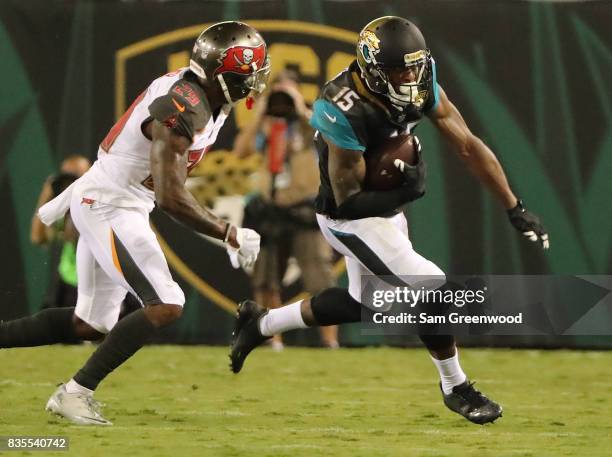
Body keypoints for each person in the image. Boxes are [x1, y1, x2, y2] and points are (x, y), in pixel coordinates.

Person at [230, 16, 549, 425]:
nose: (410, 76)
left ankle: (260, 323)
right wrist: (406, 191)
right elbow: (349, 201)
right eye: (399, 69)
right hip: (347, 218)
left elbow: (468, 145)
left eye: (415, 66)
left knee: (362, 302)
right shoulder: (339, 105)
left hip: (386, 212)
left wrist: (513, 206)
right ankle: (455, 386)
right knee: (432, 289)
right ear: (372, 69)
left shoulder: (421, 80)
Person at [0, 21, 269, 425]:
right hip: (111, 203)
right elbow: (171, 196)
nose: (253, 83)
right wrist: (227, 232)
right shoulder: (185, 105)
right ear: (221, 76)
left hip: (117, 198)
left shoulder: (205, 96)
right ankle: (74, 393)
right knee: (166, 304)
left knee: (90, 323)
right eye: (246, 75)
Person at [234, 70, 339, 350]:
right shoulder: (266, 128)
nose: (281, 100)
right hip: (270, 208)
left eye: (287, 92)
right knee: (266, 280)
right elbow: (240, 151)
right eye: (276, 92)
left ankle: (330, 342)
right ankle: (273, 339)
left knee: (320, 279)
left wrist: (299, 105)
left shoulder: (308, 125)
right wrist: (259, 114)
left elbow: (326, 136)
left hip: (305, 208)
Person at [31, 155, 91, 309]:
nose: (70, 185)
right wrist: (46, 194)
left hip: (99, 285)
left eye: (76, 178)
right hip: (69, 285)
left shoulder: (105, 204)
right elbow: (38, 238)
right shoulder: (63, 210)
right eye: (66, 179)